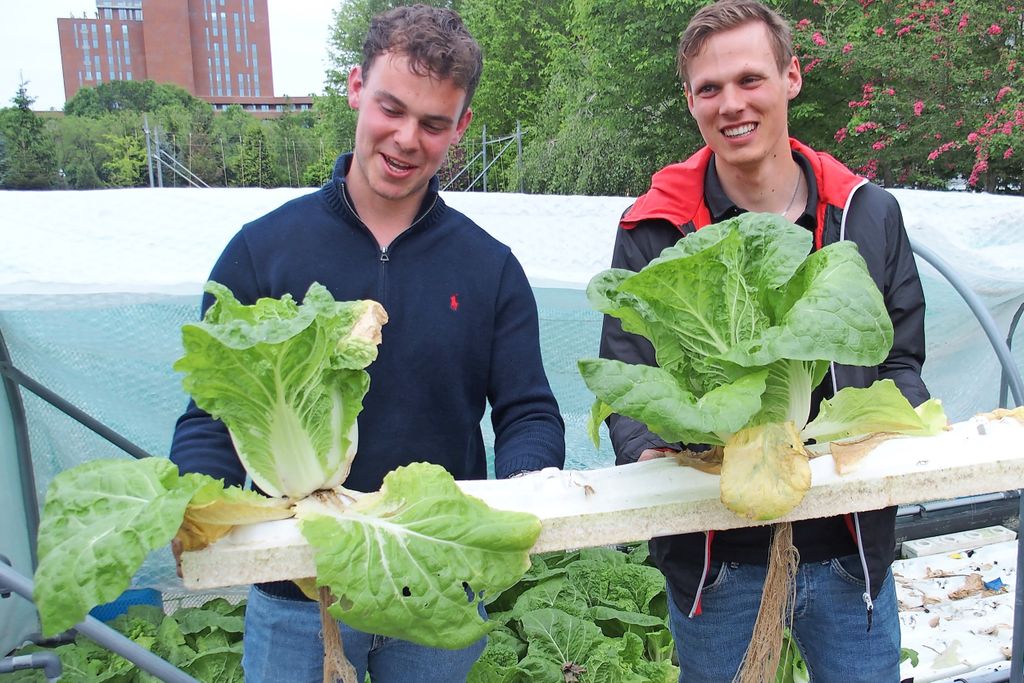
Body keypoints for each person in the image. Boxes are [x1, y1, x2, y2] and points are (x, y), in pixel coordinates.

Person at [169, 5, 565, 682]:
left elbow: (528, 410)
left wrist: (528, 486)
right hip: (299, 589)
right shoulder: (262, 253)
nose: (407, 138)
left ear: (461, 127)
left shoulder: (488, 266)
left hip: (430, 575)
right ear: (356, 88)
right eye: (391, 108)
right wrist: (190, 501)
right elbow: (211, 415)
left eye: (434, 123)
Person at [598, 1, 928, 680]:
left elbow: (899, 357)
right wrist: (646, 447)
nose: (732, 103)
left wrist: (880, 441)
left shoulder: (865, 212)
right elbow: (625, 368)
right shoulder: (653, 228)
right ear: (690, 101)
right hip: (717, 556)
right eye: (710, 88)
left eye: (750, 79)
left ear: (791, 78)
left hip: (849, 549)